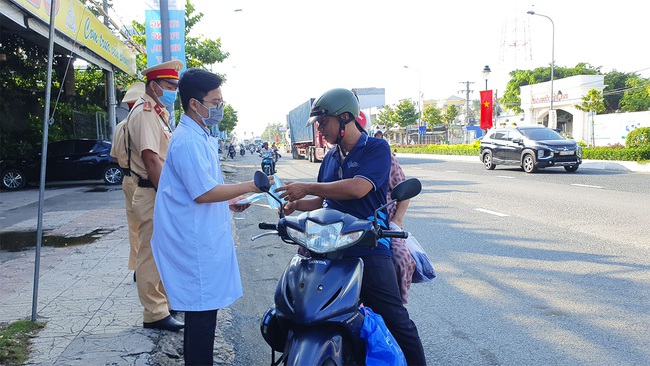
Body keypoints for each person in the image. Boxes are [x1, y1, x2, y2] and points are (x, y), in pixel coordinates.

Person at [275, 88, 426, 365]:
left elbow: (359, 188)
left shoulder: (376, 149)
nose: (320, 130)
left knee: (396, 320)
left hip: (368, 244)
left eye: (324, 122)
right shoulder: (331, 157)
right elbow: (322, 200)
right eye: (319, 124)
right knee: (301, 311)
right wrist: (296, 205)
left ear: (345, 118)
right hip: (328, 247)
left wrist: (306, 186)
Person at [150, 68, 272, 365]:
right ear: (195, 103)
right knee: (201, 318)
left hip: (201, 233)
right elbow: (202, 193)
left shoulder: (200, 135)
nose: (220, 107)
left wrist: (230, 200)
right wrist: (252, 185)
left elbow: (203, 187)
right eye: (215, 102)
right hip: (193, 242)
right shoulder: (189, 141)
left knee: (203, 317)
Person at [126, 59, 184, 331]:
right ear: (153, 86)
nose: (174, 90)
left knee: (161, 250)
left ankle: (164, 303)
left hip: (154, 191)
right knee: (150, 254)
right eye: (170, 85)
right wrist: (167, 197)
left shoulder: (157, 112)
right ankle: (155, 313)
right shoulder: (146, 113)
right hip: (152, 193)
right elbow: (152, 160)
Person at [361, 118, 416, 305]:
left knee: (401, 259)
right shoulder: (336, 158)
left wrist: (396, 221)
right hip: (345, 225)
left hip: (381, 224)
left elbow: (404, 191)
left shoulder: (384, 156)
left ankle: (396, 307)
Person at [110, 81, 145, 281]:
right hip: (144, 181)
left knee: (134, 226)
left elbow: (114, 157)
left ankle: (138, 267)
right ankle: (150, 268)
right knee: (150, 226)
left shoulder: (120, 127)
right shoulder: (143, 122)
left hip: (127, 179)